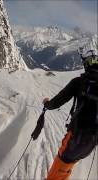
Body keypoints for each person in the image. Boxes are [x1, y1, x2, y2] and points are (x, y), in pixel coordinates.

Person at [42, 49, 98, 180]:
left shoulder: (79, 82)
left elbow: (57, 102)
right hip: (93, 140)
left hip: (77, 136)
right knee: (69, 164)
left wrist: (47, 104)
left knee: (61, 164)